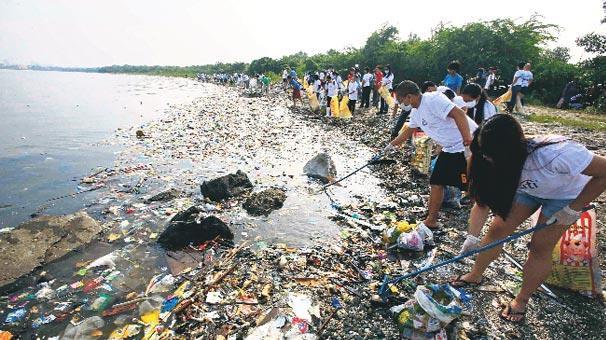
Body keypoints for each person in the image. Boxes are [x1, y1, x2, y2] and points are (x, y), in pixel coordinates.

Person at [453, 114, 606, 322]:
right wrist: (472, 236)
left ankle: (522, 300)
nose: (488, 160)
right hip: (529, 189)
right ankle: (475, 273)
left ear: (510, 151)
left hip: (565, 195)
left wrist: (573, 209)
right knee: (497, 229)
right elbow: (482, 203)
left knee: (540, 246)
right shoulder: (485, 154)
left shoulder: (559, 154)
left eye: (492, 156)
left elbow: (604, 172)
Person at [386, 80, 477, 229]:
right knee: (436, 182)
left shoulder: (433, 99)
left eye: (402, 101)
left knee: (469, 182)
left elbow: (459, 114)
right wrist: (391, 146)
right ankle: (432, 219)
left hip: (464, 145)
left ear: (409, 97)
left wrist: (468, 140)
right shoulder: (416, 112)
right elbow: (409, 130)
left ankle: (477, 215)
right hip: (449, 148)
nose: (402, 104)